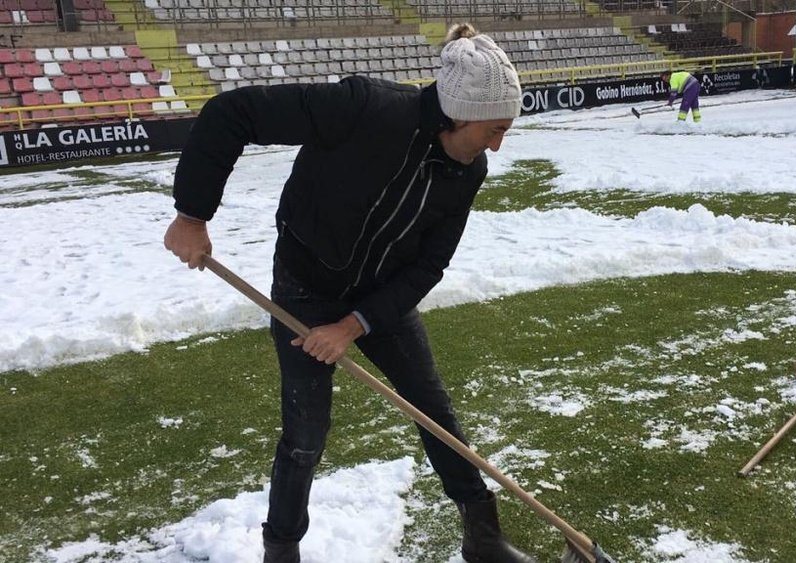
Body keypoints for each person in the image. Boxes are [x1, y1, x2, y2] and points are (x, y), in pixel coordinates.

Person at [163, 22, 536, 563]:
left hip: (381, 298)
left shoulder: (467, 169)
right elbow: (232, 113)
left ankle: (483, 536)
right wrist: (192, 215)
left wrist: (353, 325)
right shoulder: (361, 108)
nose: (497, 146)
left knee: (434, 412)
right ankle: (281, 550)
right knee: (305, 434)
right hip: (304, 288)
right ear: (459, 114)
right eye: (494, 129)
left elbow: (430, 264)